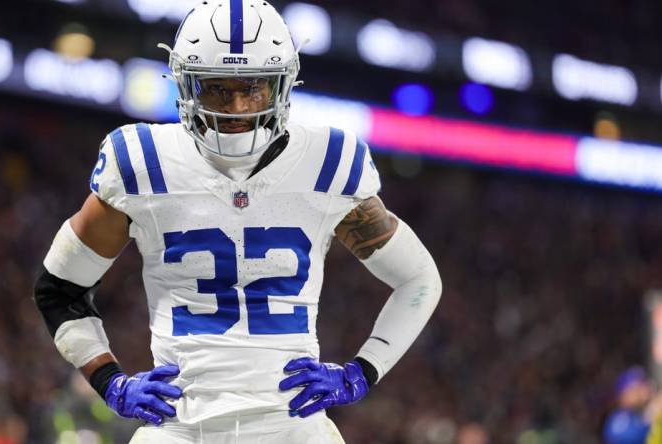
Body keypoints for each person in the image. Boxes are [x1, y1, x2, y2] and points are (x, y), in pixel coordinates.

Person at [33, 1, 442, 442]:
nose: (237, 107)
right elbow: (59, 289)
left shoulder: (328, 163)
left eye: (254, 88)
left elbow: (418, 279)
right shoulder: (142, 164)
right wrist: (110, 383)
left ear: (282, 85)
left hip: (291, 424)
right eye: (216, 88)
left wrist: (361, 372)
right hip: (179, 425)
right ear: (186, 84)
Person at [604, 367, 662, 444]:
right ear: (624, 395)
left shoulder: (644, 411)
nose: (644, 389)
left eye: (644, 383)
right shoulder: (617, 420)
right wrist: (650, 417)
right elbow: (627, 437)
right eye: (637, 387)